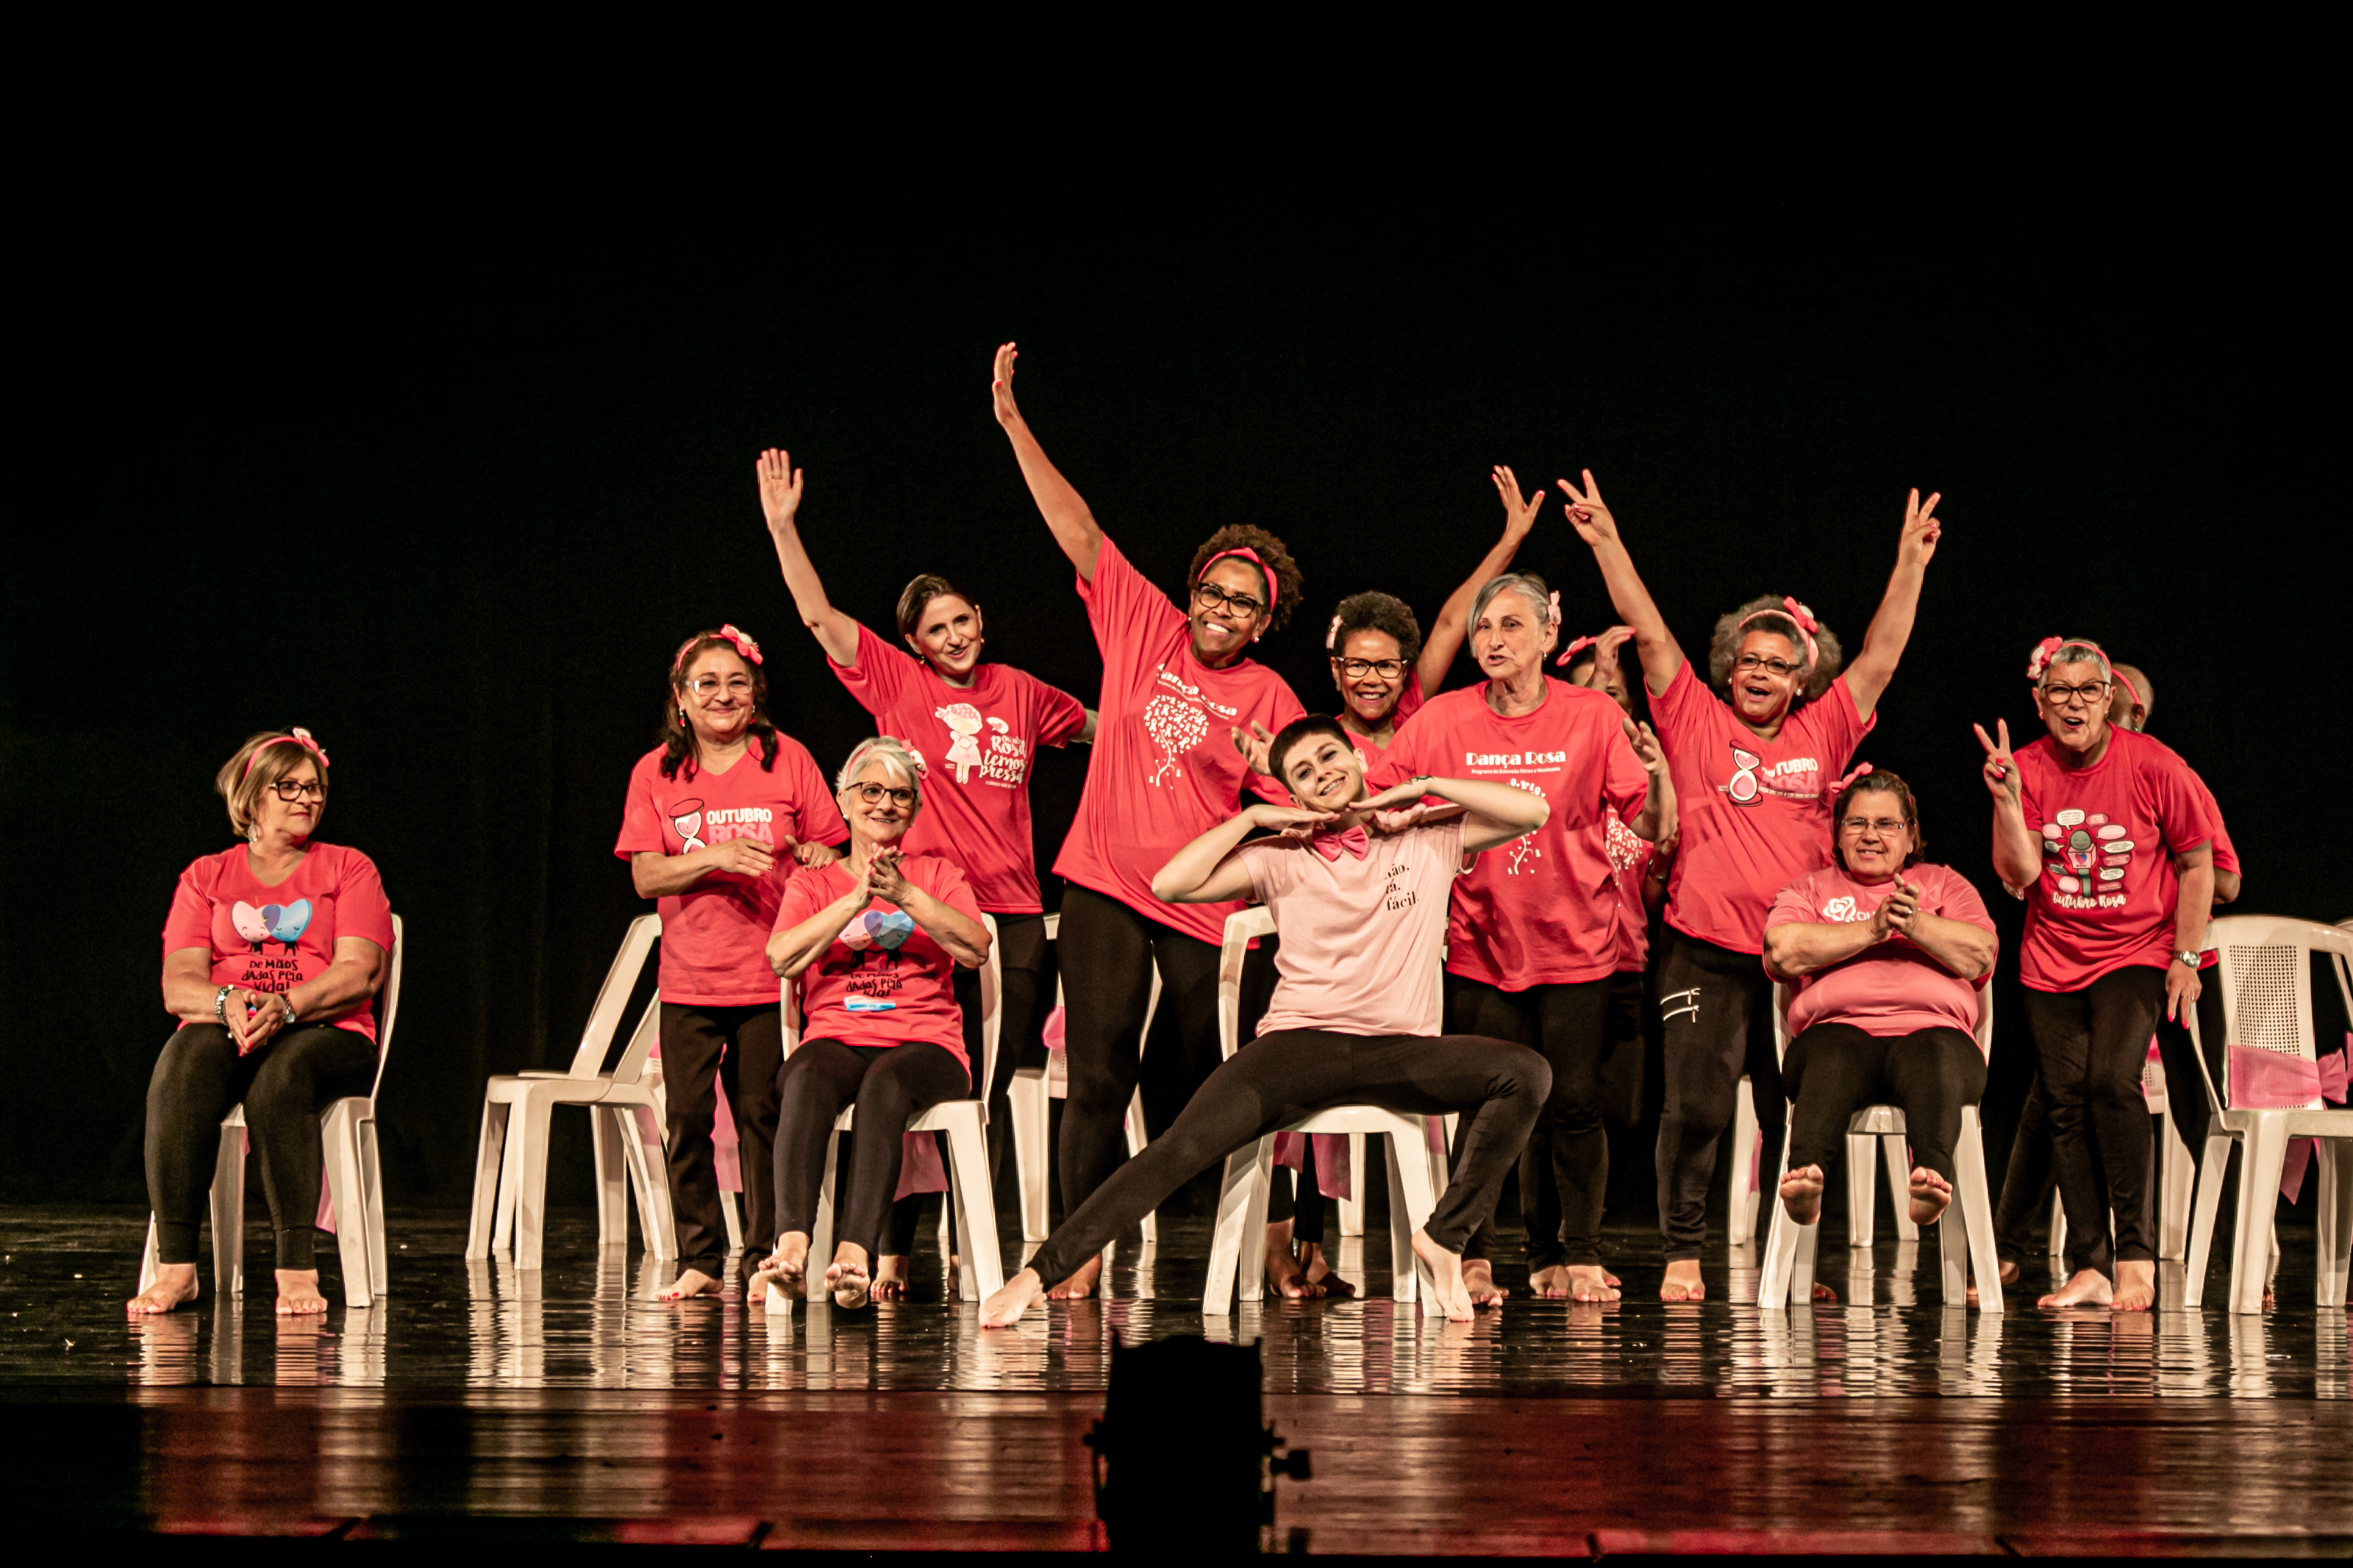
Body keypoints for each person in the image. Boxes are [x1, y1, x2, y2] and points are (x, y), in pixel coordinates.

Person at [979, 717, 1556, 1326]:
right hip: (1296, 1049)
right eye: (1303, 773)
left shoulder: (1425, 834)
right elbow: (1171, 883)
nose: (1323, 773)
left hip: (1400, 1049)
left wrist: (1422, 787)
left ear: (1358, 757)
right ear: (1294, 795)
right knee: (1178, 1148)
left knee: (1526, 1072)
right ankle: (1037, 1274)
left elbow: (1532, 811)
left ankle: (1445, 1235)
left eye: (1331, 757)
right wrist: (1254, 819)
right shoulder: (1279, 855)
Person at [1568, 472, 1943, 1300]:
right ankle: (1679, 1254)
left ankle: (1791, 1265)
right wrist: (1604, 540)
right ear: (1727, 666)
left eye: (1776, 663)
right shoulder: (1693, 718)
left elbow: (1882, 654)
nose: (1757, 672)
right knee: (1695, 1110)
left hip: (1799, 961)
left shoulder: (1825, 728)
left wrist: (1908, 564)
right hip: (1701, 953)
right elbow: (1652, 633)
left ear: (1801, 678)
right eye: (1746, 659)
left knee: (1795, 1120)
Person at [990, 342, 1307, 1298]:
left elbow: (1308, 820)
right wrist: (1012, 422)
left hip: (1199, 907)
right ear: (1195, 589)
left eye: (1241, 604)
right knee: (1096, 1079)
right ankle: (1073, 1254)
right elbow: (1077, 527)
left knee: (1218, 1073)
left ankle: (1259, 1238)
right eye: (1213, 589)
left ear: (1263, 621)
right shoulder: (1144, 624)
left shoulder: (1271, 694)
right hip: (1102, 886)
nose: (1220, 609)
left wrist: (1269, 787)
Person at [757, 447, 1093, 1297]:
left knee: (958, 1089)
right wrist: (783, 528)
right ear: (911, 644)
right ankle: (891, 1248)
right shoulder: (899, 688)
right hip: (912, 892)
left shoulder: (1021, 691)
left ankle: (939, 1242)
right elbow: (817, 616)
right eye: (934, 630)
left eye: (961, 621)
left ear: (980, 616)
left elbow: (1102, 727)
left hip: (1002, 916)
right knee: (878, 1071)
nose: (953, 637)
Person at [1267, 465, 1557, 1296]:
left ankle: (1446, 1243)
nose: (1370, 679)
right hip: (1322, 954)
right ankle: (1297, 1243)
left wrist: (1506, 544)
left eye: (1385, 667)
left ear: (1404, 674)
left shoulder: (1421, 725)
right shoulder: (1310, 743)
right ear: (1332, 669)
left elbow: (1446, 620)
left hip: (1403, 950)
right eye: (1354, 666)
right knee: (1300, 1096)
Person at [1374, 571, 1671, 1303]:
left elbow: (1649, 826)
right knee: (1483, 1107)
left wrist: (1660, 779)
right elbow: (1376, 799)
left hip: (1577, 946)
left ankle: (1568, 1253)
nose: (1492, 640)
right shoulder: (1441, 719)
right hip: (1478, 945)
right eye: (1482, 628)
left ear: (1545, 635)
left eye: (1510, 626)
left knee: (1572, 1103)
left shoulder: (1591, 718)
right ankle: (1471, 1254)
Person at [1977, 638, 2218, 1311]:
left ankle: (2136, 1254)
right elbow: (2020, 876)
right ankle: (2092, 1263)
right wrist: (2006, 798)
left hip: (2136, 948)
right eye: (2060, 691)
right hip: (2052, 958)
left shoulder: (2154, 764)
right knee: (2062, 1103)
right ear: (2040, 700)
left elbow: (2201, 865)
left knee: (2113, 1079)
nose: (2074, 703)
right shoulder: (2022, 766)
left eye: (2088, 690)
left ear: (2109, 697)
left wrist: (2186, 956)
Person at [129, 729, 394, 1317]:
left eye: (316, 788)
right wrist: (227, 999)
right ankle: (177, 1268)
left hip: (328, 1033)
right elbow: (179, 984)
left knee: (284, 1074)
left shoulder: (348, 868)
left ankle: (296, 1268)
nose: (308, 798)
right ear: (252, 796)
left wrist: (290, 1004)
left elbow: (359, 972)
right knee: (182, 1061)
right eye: (291, 786)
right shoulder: (207, 875)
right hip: (237, 1022)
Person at [615, 626, 846, 1300]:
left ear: (756, 694)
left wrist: (815, 857)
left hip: (768, 978)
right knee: (686, 1117)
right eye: (707, 684)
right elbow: (646, 876)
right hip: (690, 980)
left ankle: (765, 1258)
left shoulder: (788, 758)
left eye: (736, 682)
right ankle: (700, 1257)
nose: (723, 695)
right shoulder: (656, 770)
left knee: (762, 1117)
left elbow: (833, 848)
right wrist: (715, 857)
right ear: (681, 699)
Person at [755, 738, 993, 1309]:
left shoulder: (937, 874)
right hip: (838, 1038)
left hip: (926, 1047)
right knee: (805, 1071)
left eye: (901, 795)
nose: (885, 803)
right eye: (871, 790)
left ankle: (856, 1254)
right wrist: (855, 896)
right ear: (844, 800)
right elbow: (782, 958)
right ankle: (791, 1248)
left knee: (885, 1080)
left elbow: (977, 948)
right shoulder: (811, 884)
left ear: (914, 809)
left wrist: (904, 894)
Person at [1514, 621, 1679, 1296]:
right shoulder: (1549, 783)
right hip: (1551, 965)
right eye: (1588, 695)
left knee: (1606, 1112)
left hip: (1624, 967)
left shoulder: (1641, 782)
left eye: (1614, 696)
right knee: (1550, 1109)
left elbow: (1658, 873)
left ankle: (1582, 1232)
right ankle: (1548, 1250)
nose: (1601, 707)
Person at [1763, 772, 1998, 1240]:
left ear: (1911, 836)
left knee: (1937, 1052)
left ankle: (1930, 1179)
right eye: (1857, 823)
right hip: (1836, 1032)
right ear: (1838, 834)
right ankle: (1806, 1177)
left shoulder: (1944, 885)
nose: (1870, 835)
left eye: (1887, 824)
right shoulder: (1810, 889)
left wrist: (1913, 923)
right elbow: (1781, 950)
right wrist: (1872, 929)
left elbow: (1980, 955)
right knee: (1832, 1052)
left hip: (1933, 1033)